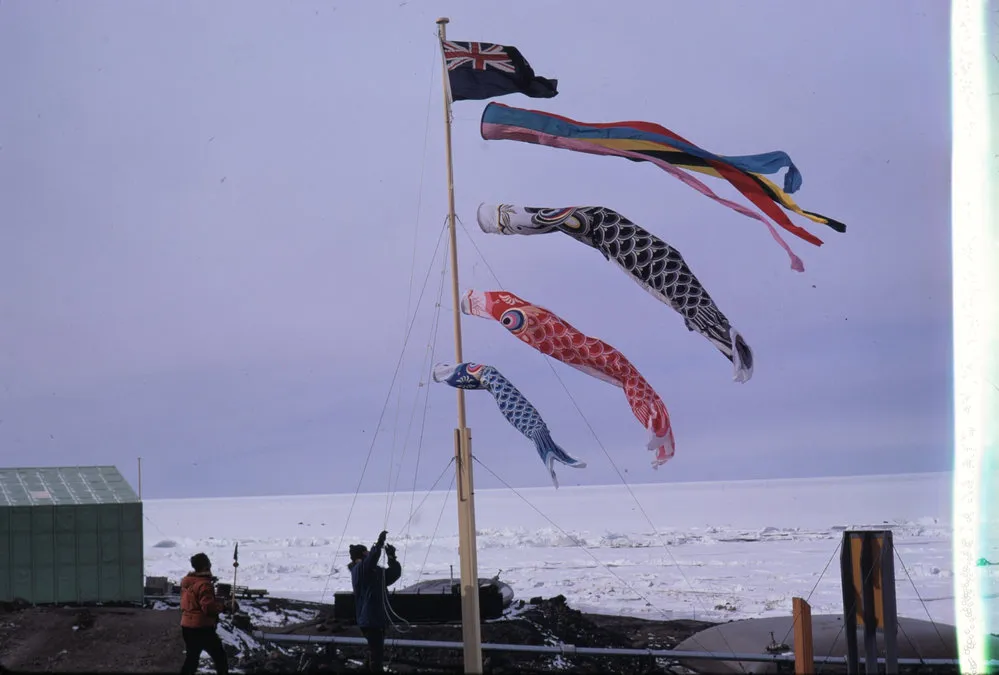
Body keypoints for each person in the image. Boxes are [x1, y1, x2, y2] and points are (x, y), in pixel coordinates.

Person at [348, 530, 402, 673]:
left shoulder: (373, 571)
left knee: (375, 653)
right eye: (365, 553)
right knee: (376, 657)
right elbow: (371, 559)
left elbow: (393, 574)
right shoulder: (359, 570)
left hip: (376, 619)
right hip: (370, 619)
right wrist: (378, 544)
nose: (367, 555)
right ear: (360, 557)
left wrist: (392, 558)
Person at [180, 552, 231, 675]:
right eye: (209, 563)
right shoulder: (204, 584)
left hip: (186, 626)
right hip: (201, 628)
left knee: (192, 659)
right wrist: (224, 607)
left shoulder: (187, 582)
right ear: (205, 566)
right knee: (220, 658)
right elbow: (208, 608)